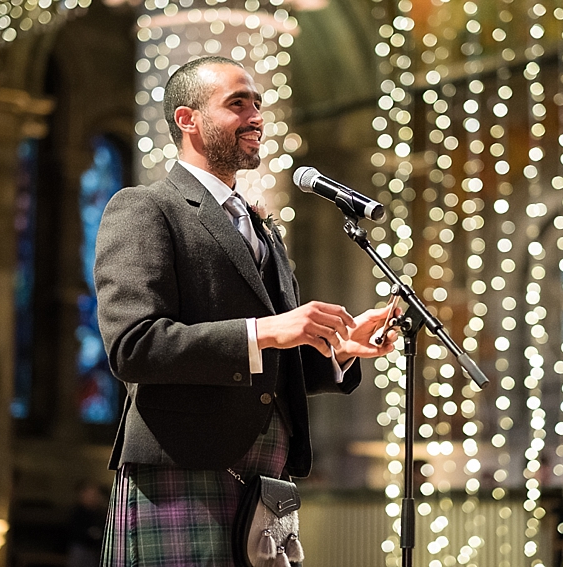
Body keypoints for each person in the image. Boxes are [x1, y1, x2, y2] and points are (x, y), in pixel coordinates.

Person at [94, 55, 396, 566]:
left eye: (258, 103)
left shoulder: (261, 230)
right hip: (183, 471)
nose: (257, 116)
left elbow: (271, 361)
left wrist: (336, 348)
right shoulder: (145, 207)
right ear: (188, 119)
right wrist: (266, 331)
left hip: (265, 479)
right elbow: (134, 346)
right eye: (238, 104)